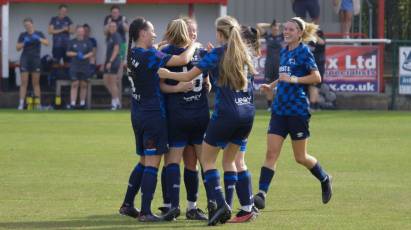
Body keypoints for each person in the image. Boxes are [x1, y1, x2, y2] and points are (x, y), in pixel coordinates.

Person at [158, 15, 256, 226]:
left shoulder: (216, 54)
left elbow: (187, 76)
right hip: (247, 113)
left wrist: (165, 72)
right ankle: (247, 208)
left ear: (220, 34)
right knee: (232, 161)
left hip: (226, 114)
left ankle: (220, 204)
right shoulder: (245, 53)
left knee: (208, 161)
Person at [118, 17, 200, 222]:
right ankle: (145, 211)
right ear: (143, 33)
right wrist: (194, 45)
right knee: (153, 163)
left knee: (144, 160)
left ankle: (128, 204)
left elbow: (157, 52)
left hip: (137, 113)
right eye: (152, 31)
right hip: (153, 114)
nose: (155, 34)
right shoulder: (150, 55)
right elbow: (182, 61)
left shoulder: (133, 53)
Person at [253, 17, 332, 211]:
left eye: (290, 29)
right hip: (279, 110)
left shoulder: (304, 51)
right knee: (271, 153)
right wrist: (270, 85)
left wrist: (295, 79)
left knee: (301, 157)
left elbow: (316, 77)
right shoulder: (283, 50)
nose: (286, 32)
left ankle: (324, 178)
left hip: (297, 111)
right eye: (285, 29)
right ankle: (262, 194)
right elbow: (283, 76)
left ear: (299, 33)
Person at [158, 17, 209, 221]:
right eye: (190, 30)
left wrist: (207, 83)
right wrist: (177, 88)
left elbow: (207, 80)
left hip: (198, 115)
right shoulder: (168, 52)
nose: (194, 34)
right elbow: (161, 85)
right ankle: (172, 205)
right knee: (173, 161)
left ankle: (191, 206)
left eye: (195, 31)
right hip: (177, 114)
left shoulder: (201, 53)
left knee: (193, 163)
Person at [226, 25, 260, 223]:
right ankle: (247, 205)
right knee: (238, 160)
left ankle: (245, 207)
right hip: (247, 112)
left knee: (234, 161)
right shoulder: (250, 57)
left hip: (236, 112)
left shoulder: (238, 58)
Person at [16, 18, 49, 110]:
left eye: (28, 24)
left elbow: (47, 43)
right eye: (25, 25)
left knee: (36, 83)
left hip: (35, 60)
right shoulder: (22, 35)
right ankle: (21, 104)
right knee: (24, 83)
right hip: (25, 59)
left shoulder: (39, 33)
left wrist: (38, 38)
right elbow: (17, 48)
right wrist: (24, 42)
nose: (27, 26)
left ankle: (38, 104)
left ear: (32, 24)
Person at [256, 19, 283, 110]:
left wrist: (281, 24)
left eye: (277, 27)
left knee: (281, 84)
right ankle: (269, 106)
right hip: (269, 64)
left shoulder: (282, 36)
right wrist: (269, 25)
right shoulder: (268, 36)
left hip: (279, 64)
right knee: (269, 84)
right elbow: (259, 25)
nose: (275, 28)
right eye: (274, 27)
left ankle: (279, 104)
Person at [66, 26, 94, 109]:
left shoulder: (88, 42)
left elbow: (91, 53)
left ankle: (82, 104)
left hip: (85, 66)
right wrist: (76, 54)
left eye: (82, 31)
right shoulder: (72, 42)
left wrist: (84, 56)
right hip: (74, 66)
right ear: (76, 32)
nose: (80, 32)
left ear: (84, 32)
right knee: (75, 84)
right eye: (78, 31)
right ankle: (73, 104)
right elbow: (68, 53)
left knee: (84, 84)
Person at [103, 22, 122, 110]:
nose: (112, 28)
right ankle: (116, 100)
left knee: (112, 82)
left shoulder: (116, 36)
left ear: (116, 27)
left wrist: (110, 61)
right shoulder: (109, 36)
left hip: (114, 61)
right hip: (108, 61)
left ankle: (115, 103)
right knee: (106, 81)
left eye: (114, 26)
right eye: (110, 26)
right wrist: (106, 62)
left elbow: (116, 49)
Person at [307, 29, 326, 110]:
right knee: (312, 87)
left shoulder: (321, 41)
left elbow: (322, 42)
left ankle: (312, 106)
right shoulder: (311, 42)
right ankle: (316, 105)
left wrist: (315, 34)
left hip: (318, 67)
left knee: (314, 86)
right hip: (311, 66)